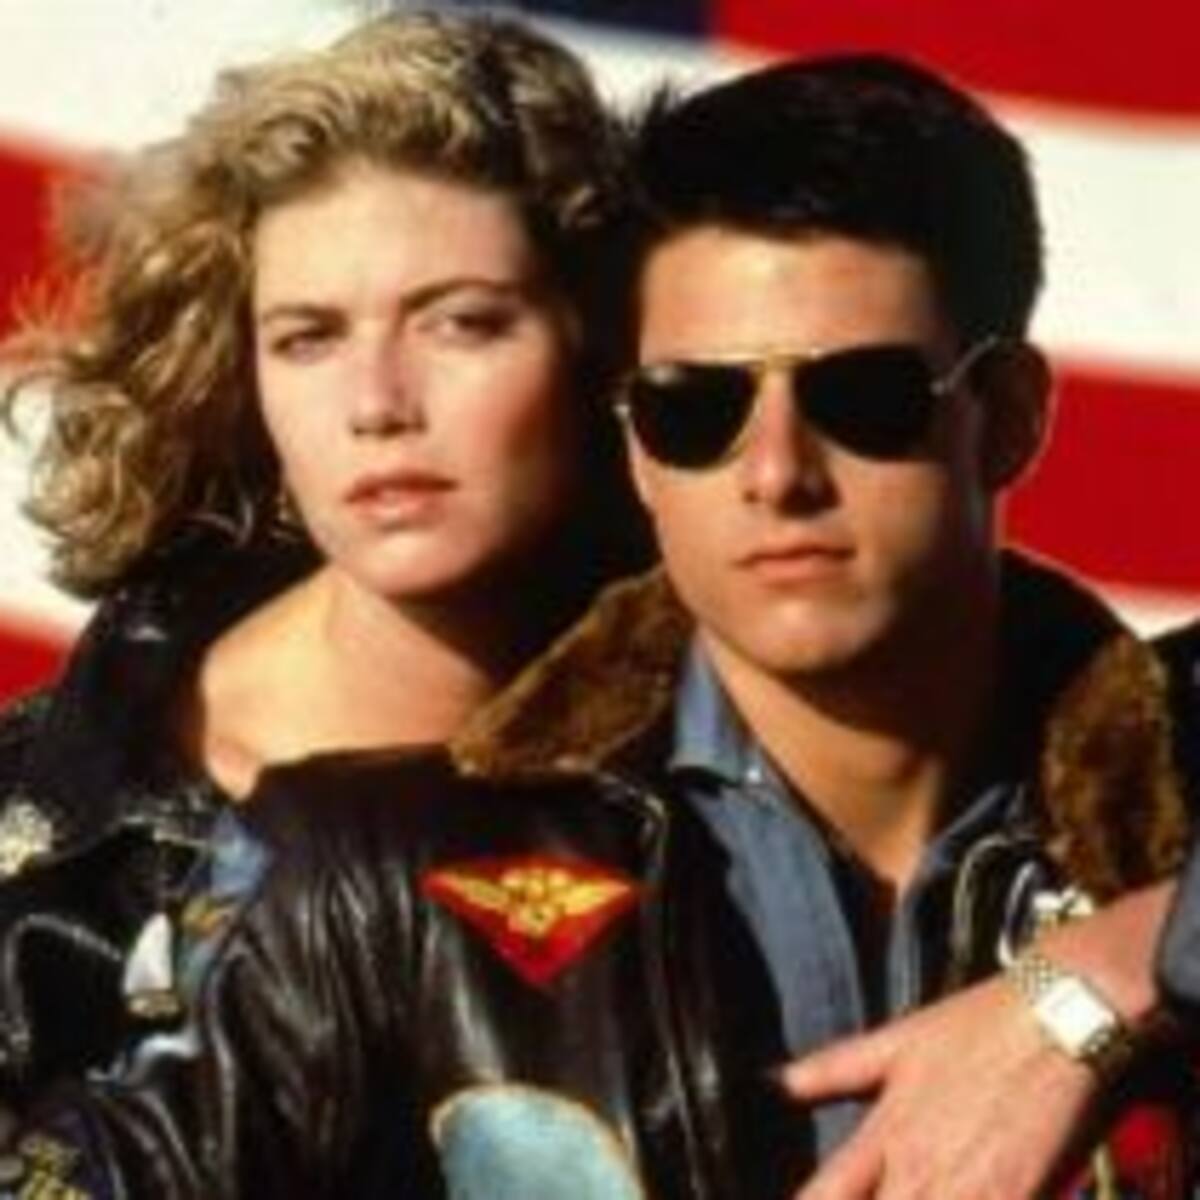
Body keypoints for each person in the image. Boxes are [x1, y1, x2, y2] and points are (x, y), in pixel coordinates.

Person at [0, 49, 1195, 1200]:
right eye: (696, 408)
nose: (776, 472)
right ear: (633, 439)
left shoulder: (1171, 766)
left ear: (1010, 414)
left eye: (863, 398)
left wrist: (1119, 971)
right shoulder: (364, 873)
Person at [0, 9, 649, 1103]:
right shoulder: (53, 825)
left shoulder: (756, 755)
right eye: (309, 338)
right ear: (240, 375)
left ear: (602, 346)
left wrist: (993, 1019)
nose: (377, 404)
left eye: (461, 323)